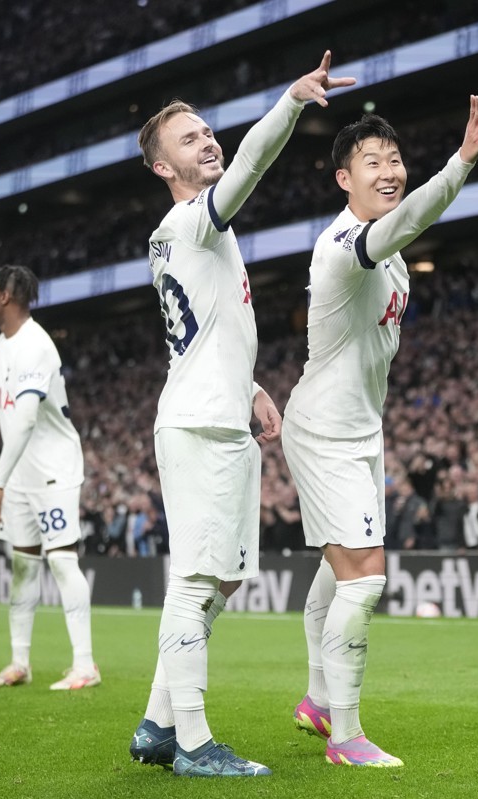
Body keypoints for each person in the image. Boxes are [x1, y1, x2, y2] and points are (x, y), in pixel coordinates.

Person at [128, 52, 355, 779]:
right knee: (196, 582)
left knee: (219, 582)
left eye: (205, 131)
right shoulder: (194, 217)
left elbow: (205, 330)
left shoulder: (187, 233)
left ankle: (161, 723)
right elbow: (249, 170)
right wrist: (290, 102)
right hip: (199, 425)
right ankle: (193, 742)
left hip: (215, 413)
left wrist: (251, 383)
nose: (208, 142)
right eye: (188, 140)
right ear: (164, 168)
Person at [283, 97, 478, 767]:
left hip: (354, 431)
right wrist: (461, 163)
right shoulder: (348, 245)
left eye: (396, 159)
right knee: (365, 580)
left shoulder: (393, 256)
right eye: (372, 162)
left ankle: (320, 700)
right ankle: (345, 736)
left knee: (337, 577)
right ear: (343, 179)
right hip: (325, 431)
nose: (390, 171)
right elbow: (407, 219)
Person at [0, 265, 100, 692]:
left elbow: (27, 419)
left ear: (7, 297)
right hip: (21, 474)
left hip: (53, 470)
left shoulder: (36, 345)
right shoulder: (0, 346)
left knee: (62, 561)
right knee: (22, 566)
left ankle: (85, 665)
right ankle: (19, 662)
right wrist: (7, 480)